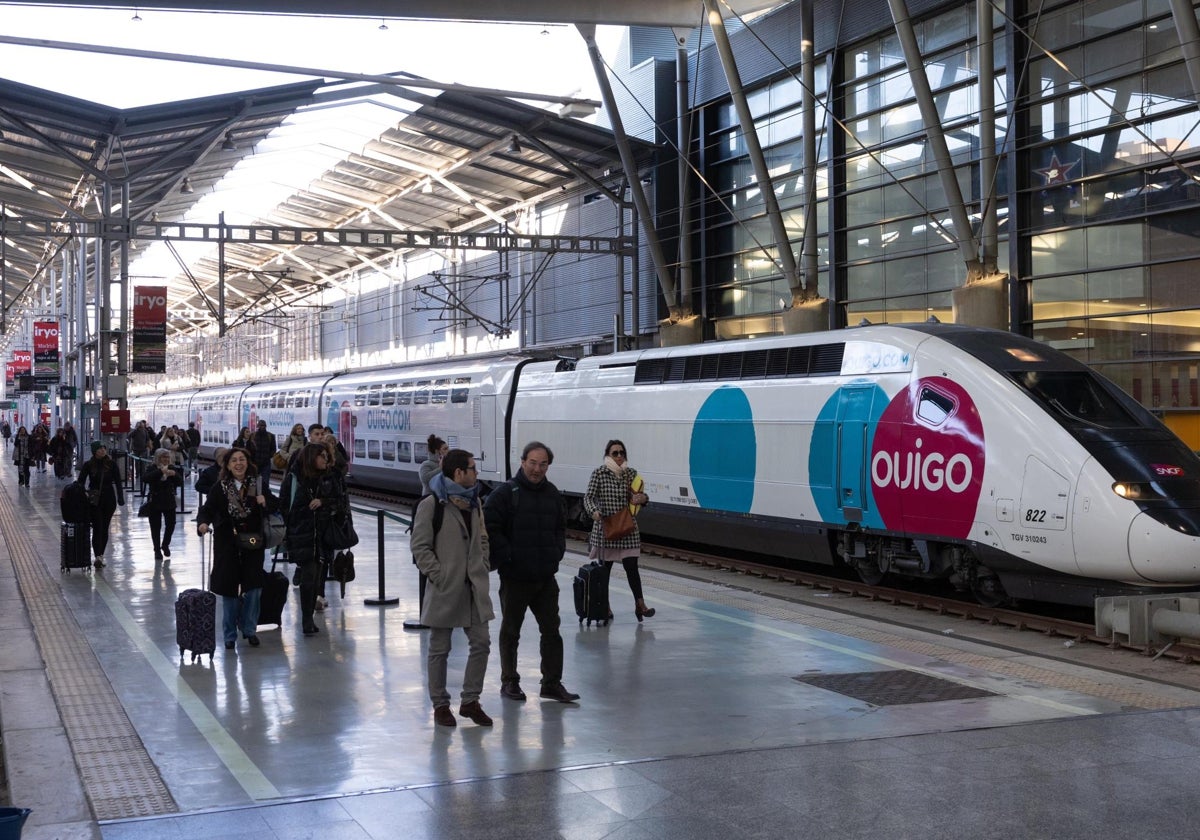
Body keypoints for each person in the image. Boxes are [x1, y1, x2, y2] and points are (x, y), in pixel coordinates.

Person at [483, 441, 579, 704]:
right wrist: (508, 556)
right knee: (511, 631)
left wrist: (556, 553)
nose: (537, 469)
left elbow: (560, 528)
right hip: (515, 577)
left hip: (545, 577)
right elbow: (490, 525)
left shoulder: (552, 494)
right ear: (523, 461)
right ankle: (510, 681)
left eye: (543, 464)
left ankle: (551, 683)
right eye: (533, 463)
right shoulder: (505, 493)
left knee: (552, 631)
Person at [411, 448, 494, 727]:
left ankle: (470, 701)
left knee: (481, 643)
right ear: (459, 473)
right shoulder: (432, 504)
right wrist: (439, 575)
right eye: (473, 468)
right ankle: (440, 705)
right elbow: (420, 546)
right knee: (439, 648)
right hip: (446, 586)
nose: (476, 473)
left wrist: (482, 561)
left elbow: (482, 536)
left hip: (473, 585)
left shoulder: (475, 502)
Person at [196, 447, 276, 650]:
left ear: (247, 463)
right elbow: (207, 509)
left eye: (242, 460)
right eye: (234, 461)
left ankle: (249, 629)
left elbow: (277, 505)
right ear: (228, 466)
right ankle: (229, 635)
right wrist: (203, 524)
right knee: (229, 591)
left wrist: (265, 501)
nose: (238, 464)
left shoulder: (258, 484)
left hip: (253, 542)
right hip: (227, 544)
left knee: (254, 589)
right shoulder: (220, 487)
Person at [583, 439, 655, 621]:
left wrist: (643, 498)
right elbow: (588, 498)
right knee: (604, 571)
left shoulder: (631, 474)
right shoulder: (599, 473)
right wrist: (594, 512)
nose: (619, 456)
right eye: (615, 453)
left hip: (628, 528)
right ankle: (605, 606)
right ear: (608, 455)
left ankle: (640, 604)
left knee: (632, 568)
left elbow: (641, 495)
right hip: (606, 528)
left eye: (622, 453)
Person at [280, 443, 347, 636]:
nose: (325, 460)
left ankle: (308, 617)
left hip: (324, 536)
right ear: (310, 458)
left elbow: (341, 501)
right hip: (303, 535)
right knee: (309, 577)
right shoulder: (293, 479)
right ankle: (306, 619)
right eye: (321, 456)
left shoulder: (331, 477)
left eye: (326, 456)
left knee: (317, 577)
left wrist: (324, 502)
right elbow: (285, 507)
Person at [77, 441, 126, 569]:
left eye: (104, 448)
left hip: (109, 499)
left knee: (104, 528)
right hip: (94, 499)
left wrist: (120, 497)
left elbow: (118, 482)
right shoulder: (88, 465)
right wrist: (81, 495)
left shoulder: (111, 464)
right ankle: (97, 554)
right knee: (98, 527)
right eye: (99, 449)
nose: (103, 451)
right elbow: (80, 481)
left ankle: (100, 556)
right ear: (94, 451)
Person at [143, 448, 182, 561]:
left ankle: (165, 544)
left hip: (169, 499)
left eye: (167, 457)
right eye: (163, 457)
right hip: (155, 500)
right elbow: (145, 478)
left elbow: (180, 482)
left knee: (171, 524)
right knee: (155, 526)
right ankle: (156, 549)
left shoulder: (172, 468)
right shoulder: (152, 468)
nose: (166, 459)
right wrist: (161, 471)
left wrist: (174, 474)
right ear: (158, 458)